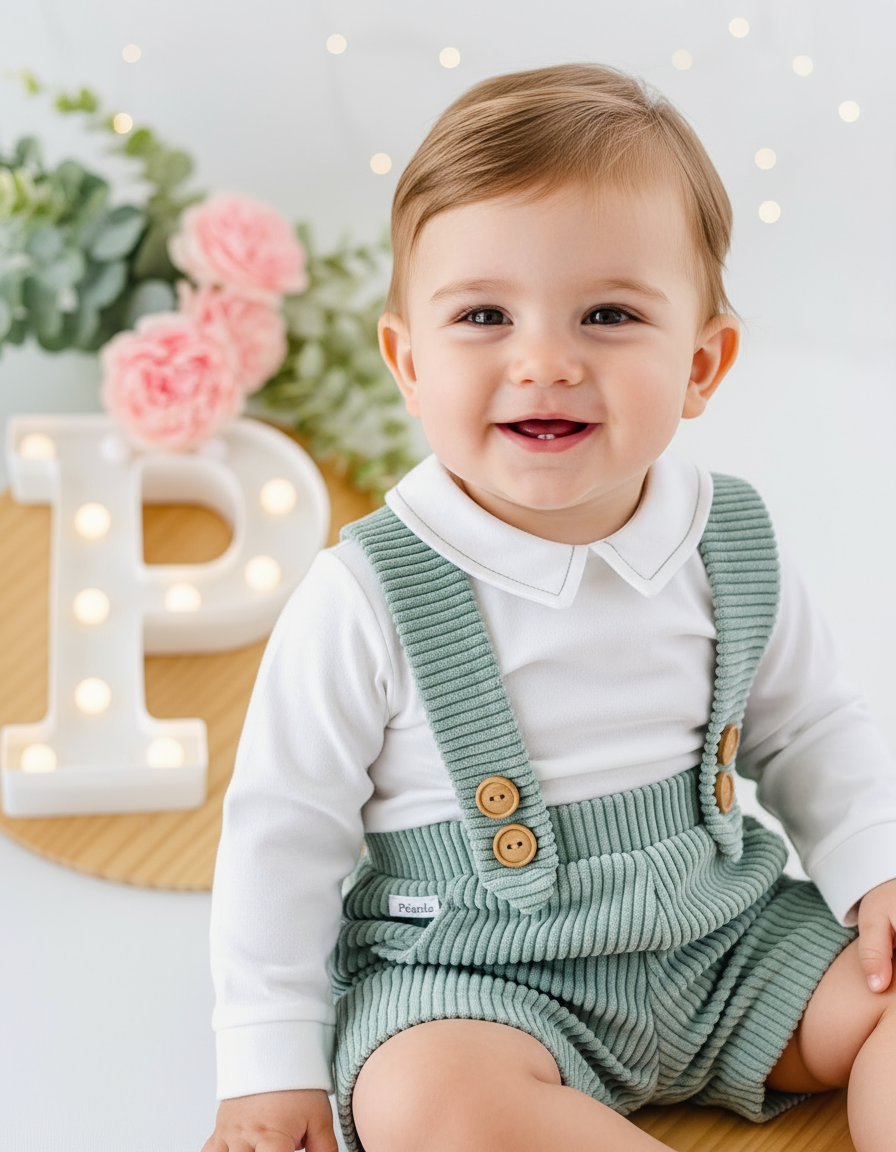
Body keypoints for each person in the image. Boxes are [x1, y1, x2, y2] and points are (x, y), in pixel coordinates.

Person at [201, 64, 896, 1152]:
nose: (543, 361)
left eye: (609, 314)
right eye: (481, 315)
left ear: (701, 363)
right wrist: (267, 1060)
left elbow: (805, 726)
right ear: (406, 360)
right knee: (420, 1102)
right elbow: (281, 836)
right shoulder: (366, 594)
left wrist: (873, 865)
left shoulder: (730, 540)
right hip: (476, 978)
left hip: (725, 939)